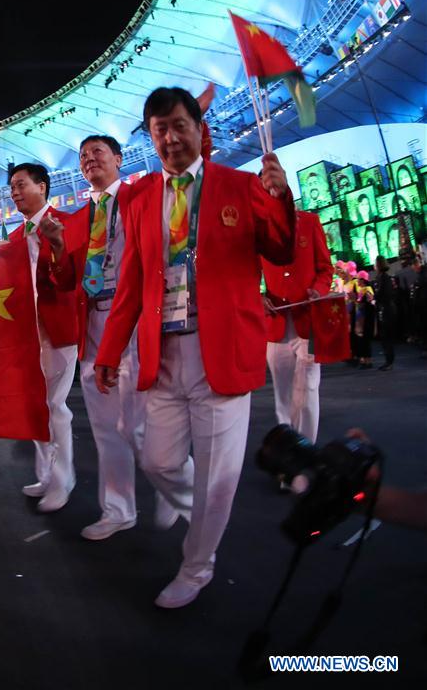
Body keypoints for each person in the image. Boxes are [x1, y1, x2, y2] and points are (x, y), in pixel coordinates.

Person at [93, 87, 295, 608]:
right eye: (159, 129)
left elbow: (278, 247)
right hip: (163, 351)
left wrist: (279, 199)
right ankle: (197, 511)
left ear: (199, 128)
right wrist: (110, 350)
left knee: (218, 475)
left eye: (179, 125)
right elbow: (132, 282)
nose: (170, 137)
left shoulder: (238, 184)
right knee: (158, 461)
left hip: (221, 349)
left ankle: (197, 564)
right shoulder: (138, 199)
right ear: (151, 136)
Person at [46, 135, 169, 539]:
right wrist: (58, 246)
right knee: (104, 427)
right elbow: (67, 281)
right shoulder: (78, 219)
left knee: (136, 423)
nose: (89, 159)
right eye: (83, 156)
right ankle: (118, 509)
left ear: (119, 158)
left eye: (97, 152)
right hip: (95, 325)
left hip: (135, 321)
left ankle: (172, 480)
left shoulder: (142, 195)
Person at [5, 163, 80, 512]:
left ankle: (63, 481)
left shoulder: (69, 222)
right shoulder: (13, 239)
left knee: (55, 407)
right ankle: (46, 475)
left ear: (43, 187)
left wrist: (57, 242)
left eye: (21, 185)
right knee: (35, 405)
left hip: (58, 328)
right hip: (26, 332)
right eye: (12, 187)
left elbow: (73, 278)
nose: (15, 192)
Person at [262, 211, 333, 444]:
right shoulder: (259, 229)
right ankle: (288, 456)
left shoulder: (309, 222)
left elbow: (325, 268)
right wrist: (257, 296)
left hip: (308, 321)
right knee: (282, 396)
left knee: (309, 390)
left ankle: (306, 455)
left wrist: (319, 290)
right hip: (276, 325)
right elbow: (248, 273)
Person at [373, 256, 397, 371]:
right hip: (384, 309)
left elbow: (385, 294)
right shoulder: (382, 277)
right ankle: (388, 360)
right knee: (384, 337)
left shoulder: (384, 278)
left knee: (386, 336)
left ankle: (389, 361)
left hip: (386, 310)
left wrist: (375, 297)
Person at [353, 270, 375, 368]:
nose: (357, 281)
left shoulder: (367, 289)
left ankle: (368, 361)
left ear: (362, 280)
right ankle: (365, 359)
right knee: (363, 340)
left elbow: (369, 303)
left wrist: (358, 302)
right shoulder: (362, 289)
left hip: (366, 319)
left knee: (365, 340)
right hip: (361, 319)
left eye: (358, 279)